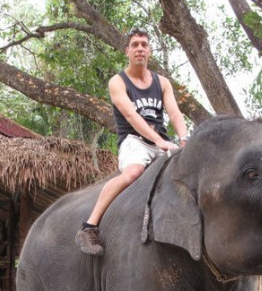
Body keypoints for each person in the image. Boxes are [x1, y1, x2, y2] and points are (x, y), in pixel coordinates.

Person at [76, 27, 189, 255]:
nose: (140, 49)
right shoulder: (118, 82)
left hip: (161, 142)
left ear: (150, 51)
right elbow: (131, 116)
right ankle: (89, 226)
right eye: (135, 45)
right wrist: (160, 141)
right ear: (127, 51)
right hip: (134, 141)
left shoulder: (163, 82)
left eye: (144, 45)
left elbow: (175, 113)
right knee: (133, 173)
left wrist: (184, 139)